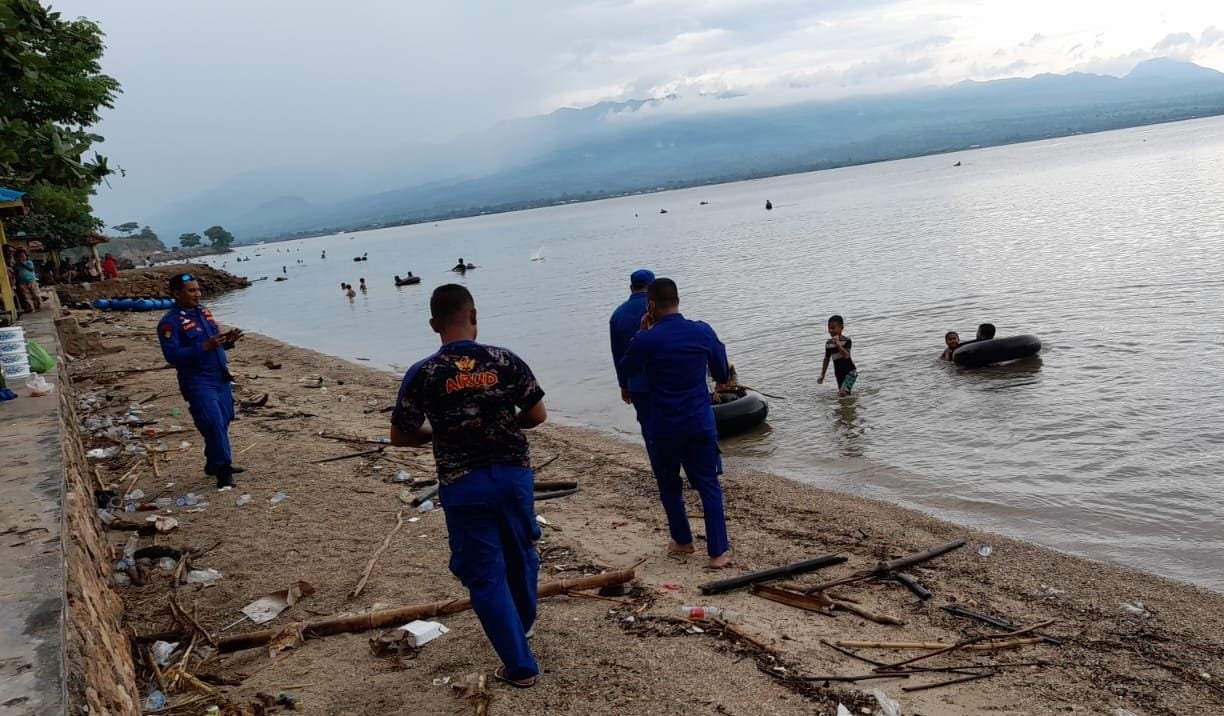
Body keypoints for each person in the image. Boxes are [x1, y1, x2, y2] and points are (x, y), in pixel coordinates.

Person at [389, 284, 547, 688]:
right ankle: (525, 624)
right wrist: (506, 424)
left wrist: (440, 432)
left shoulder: (424, 373)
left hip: (463, 483)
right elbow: (537, 415)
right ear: (473, 316)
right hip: (513, 475)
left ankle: (521, 666)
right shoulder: (505, 360)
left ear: (433, 324)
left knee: (484, 573)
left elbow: (401, 435)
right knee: (521, 552)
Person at [620, 278, 733, 569]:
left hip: (664, 424)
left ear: (651, 306)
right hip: (698, 421)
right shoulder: (702, 331)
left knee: (669, 483)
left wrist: (641, 333)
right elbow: (722, 373)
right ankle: (718, 552)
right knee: (708, 485)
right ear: (678, 301)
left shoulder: (646, 340)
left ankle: (682, 540)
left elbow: (628, 368)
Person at [157, 273, 245, 488]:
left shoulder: (204, 312)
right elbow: (172, 356)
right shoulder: (169, 323)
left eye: (198, 289)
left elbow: (215, 344)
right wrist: (203, 346)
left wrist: (228, 341)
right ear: (177, 294)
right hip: (197, 380)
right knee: (212, 421)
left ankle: (213, 462)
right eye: (191, 290)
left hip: (220, 376)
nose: (197, 294)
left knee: (224, 419)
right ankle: (223, 470)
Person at [609, 269, 655, 429]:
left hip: (636, 384)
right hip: (662, 380)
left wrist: (623, 385)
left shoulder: (617, 315)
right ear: (652, 287)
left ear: (631, 288)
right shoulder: (657, 309)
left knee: (648, 427)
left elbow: (617, 354)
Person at [818, 314, 856, 397]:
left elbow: (846, 356)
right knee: (845, 395)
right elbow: (826, 359)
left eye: (833, 328)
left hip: (850, 372)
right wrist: (822, 375)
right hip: (838, 373)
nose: (830, 330)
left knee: (842, 393)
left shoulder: (847, 341)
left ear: (841, 328)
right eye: (829, 328)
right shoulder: (828, 343)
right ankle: (853, 400)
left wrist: (838, 344)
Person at [12, 248, 41, 313]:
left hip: (31, 281)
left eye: (23, 256)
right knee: (26, 296)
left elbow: (31, 269)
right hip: (22, 283)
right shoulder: (16, 265)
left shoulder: (29, 262)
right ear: (16, 258)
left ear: (26, 256)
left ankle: (39, 305)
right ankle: (31, 308)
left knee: (36, 294)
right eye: (19, 257)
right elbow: (15, 273)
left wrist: (23, 264)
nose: (21, 258)